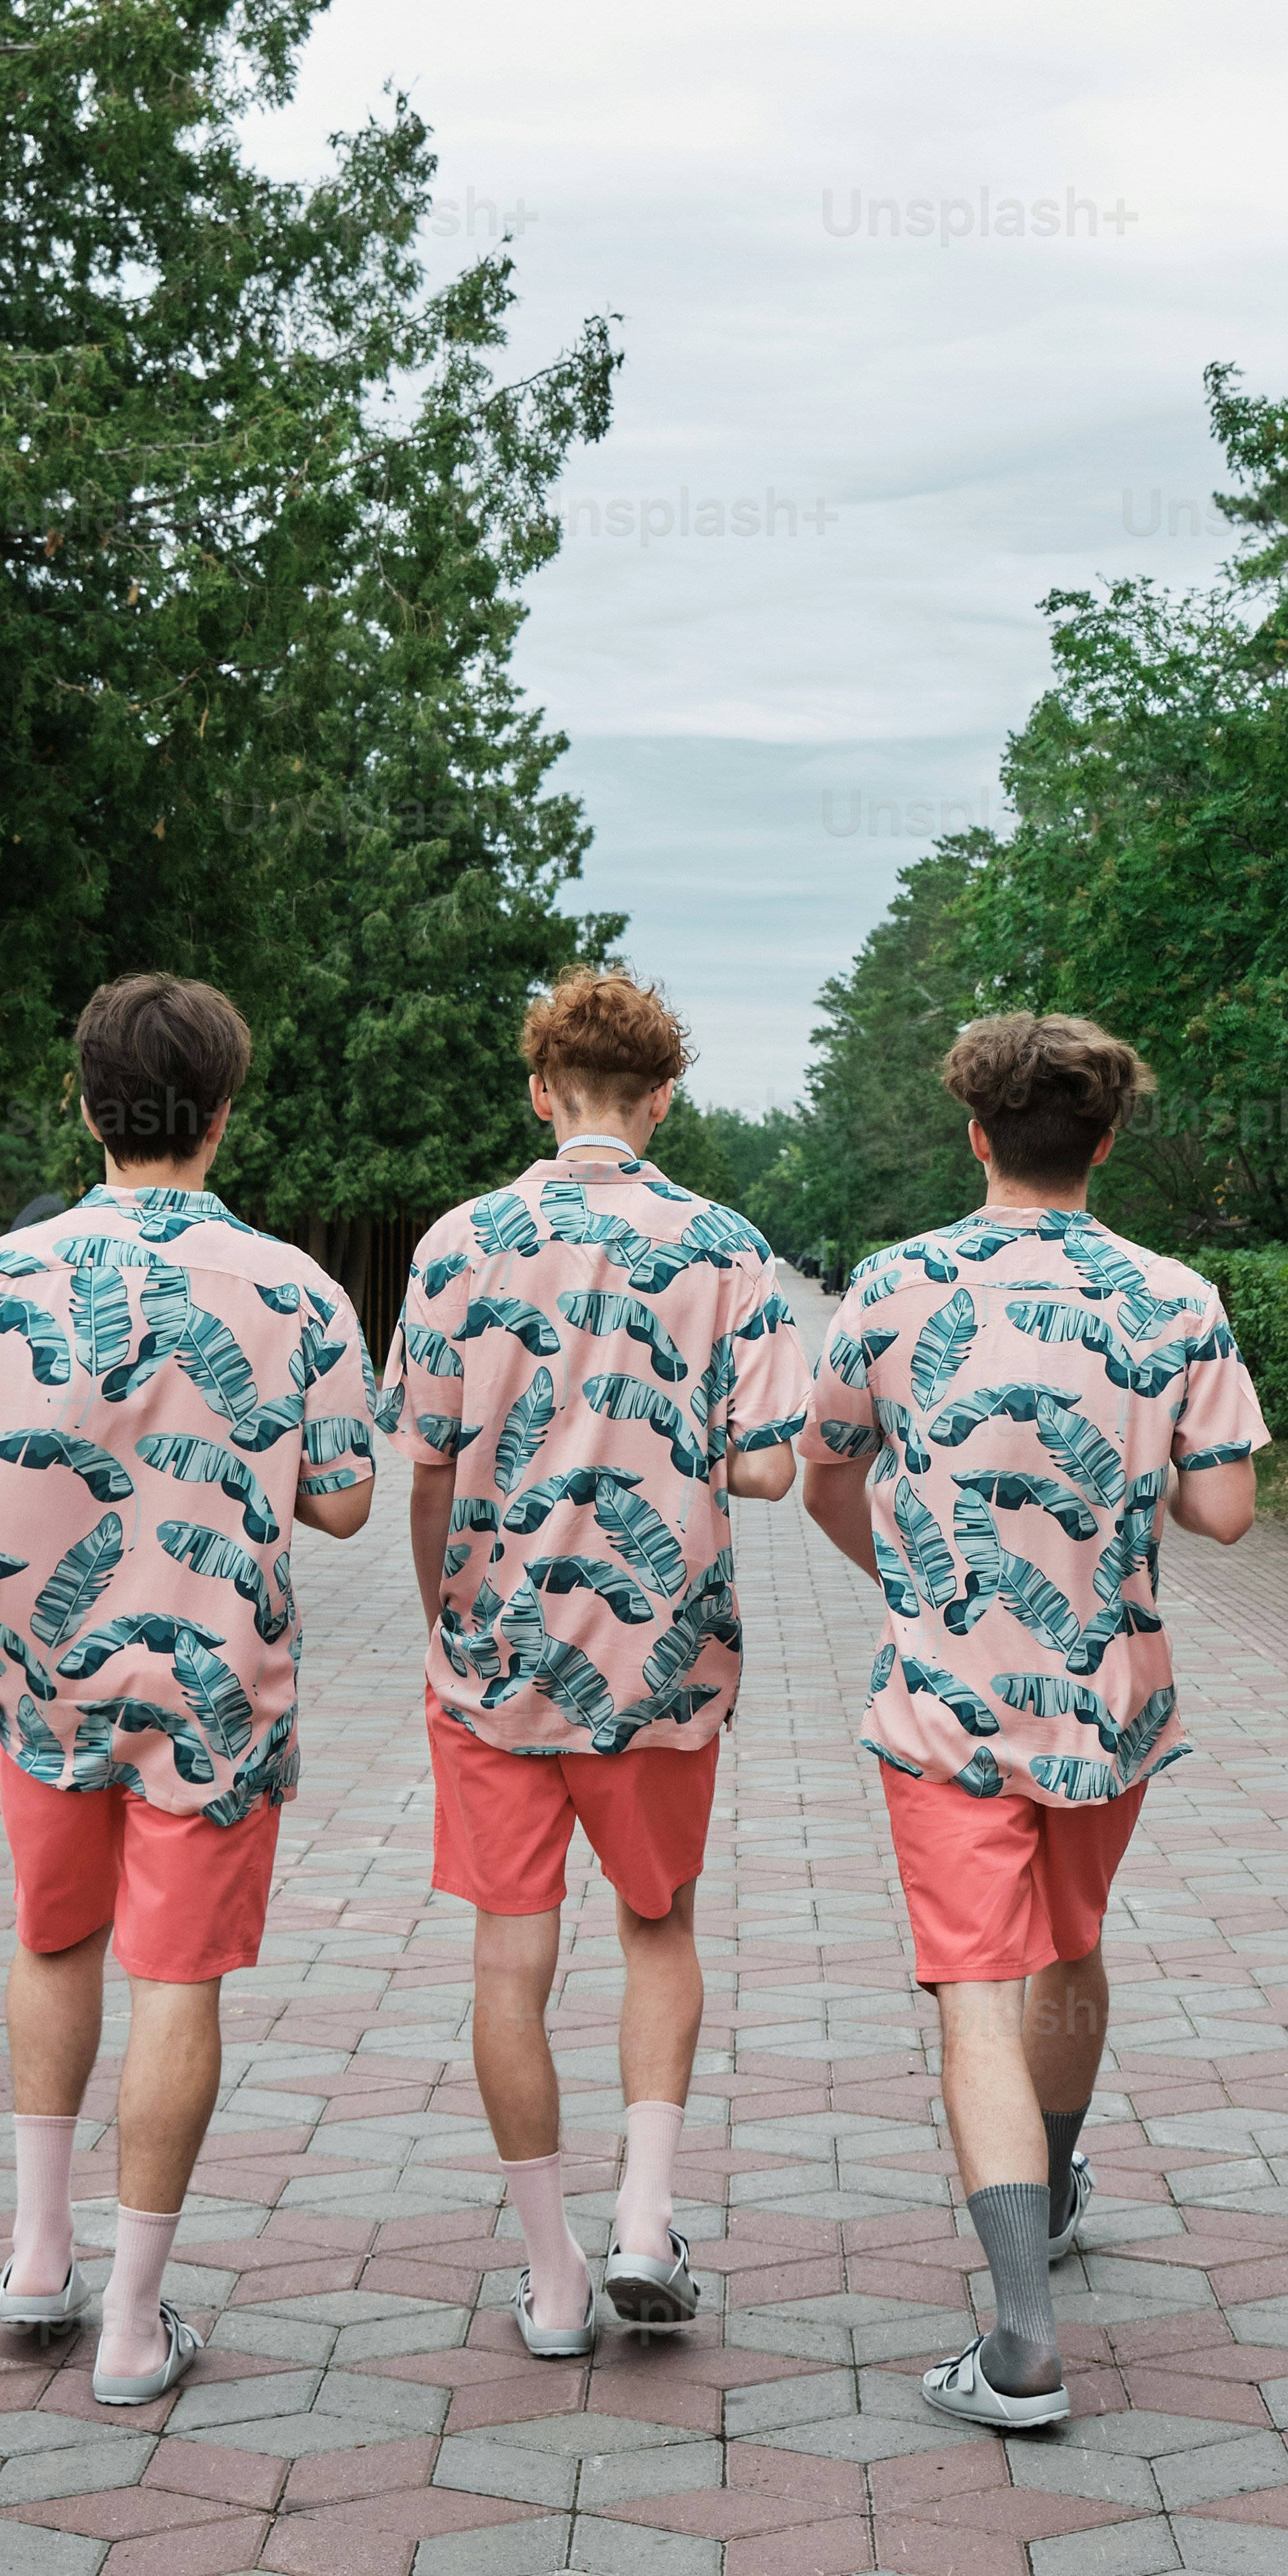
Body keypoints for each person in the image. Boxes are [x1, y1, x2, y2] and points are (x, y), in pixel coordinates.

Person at [0, 972, 378, 2401]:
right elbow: (345, 1501)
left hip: (41, 1679)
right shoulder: (295, 1288)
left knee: (53, 1943)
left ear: (86, 1104)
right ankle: (131, 2322)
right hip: (214, 1690)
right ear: (222, 1112)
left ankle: (36, 2259)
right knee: (178, 1979)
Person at [799, 1012, 1269, 2433]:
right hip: (1108, 1701)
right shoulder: (1176, 1296)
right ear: (1104, 1144)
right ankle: (1053, 2191)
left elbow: (825, 1475)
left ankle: (1019, 2344)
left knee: (973, 1990)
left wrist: (915, 1589)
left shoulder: (893, 1284)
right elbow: (1226, 1510)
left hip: (946, 1704)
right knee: (1069, 1946)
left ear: (976, 1136)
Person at [381, 968, 809, 2357]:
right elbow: (768, 1470)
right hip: (660, 1663)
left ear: (538, 1092)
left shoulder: (458, 1243)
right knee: (658, 1930)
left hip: (495, 1663)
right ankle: (644, 2218)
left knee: (511, 1960)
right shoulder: (728, 1248)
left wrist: (444, 1617)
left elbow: (426, 1470)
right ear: (661, 1098)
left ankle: (554, 2279)